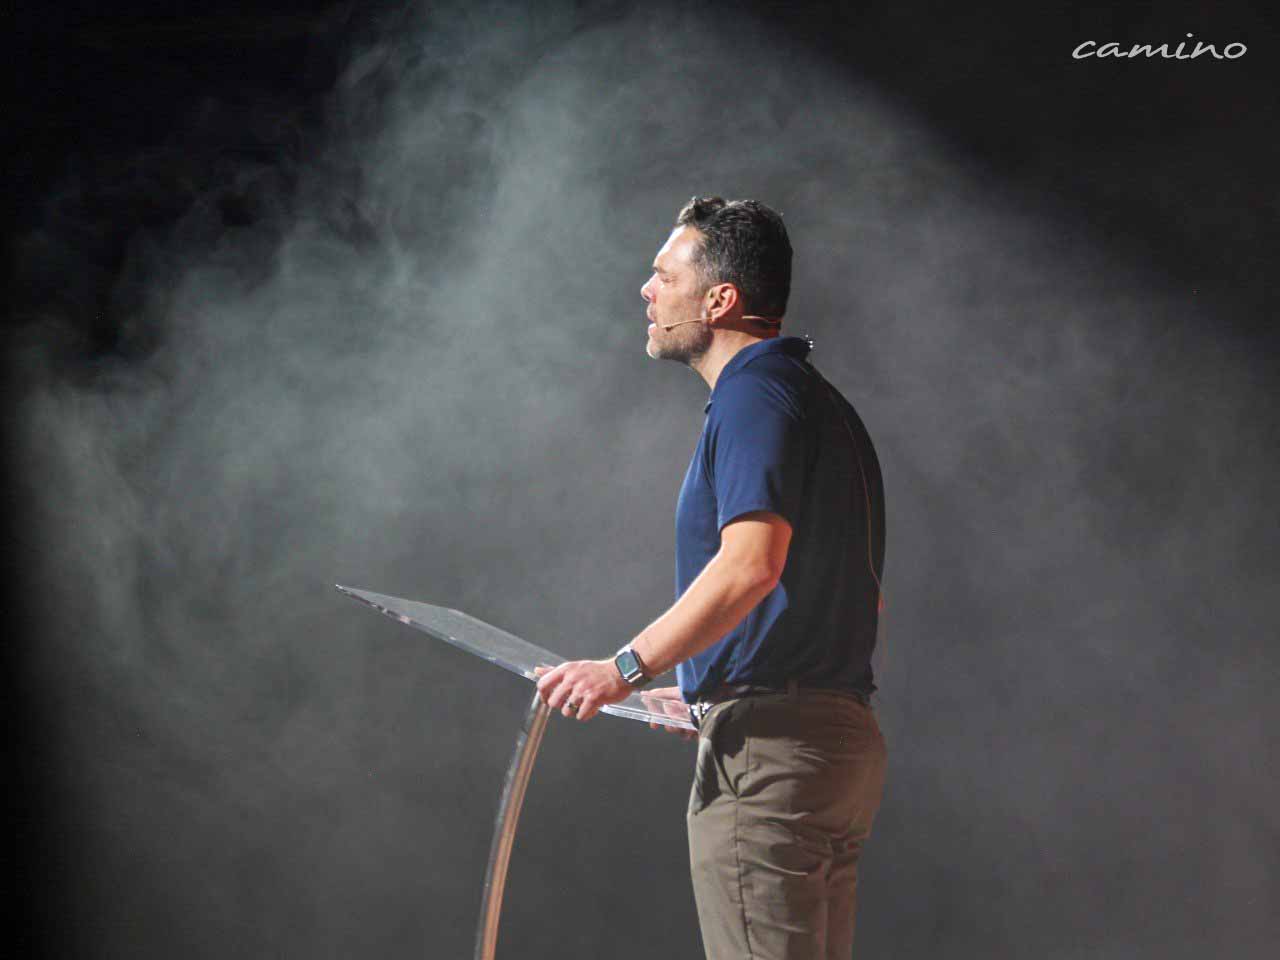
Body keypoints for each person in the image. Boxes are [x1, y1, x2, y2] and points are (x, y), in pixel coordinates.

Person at [535, 196, 887, 959]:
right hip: (833, 742)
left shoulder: (752, 394)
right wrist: (709, 683)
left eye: (665, 275)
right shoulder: (818, 403)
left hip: (771, 752)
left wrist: (624, 669)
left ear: (720, 299)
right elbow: (847, 596)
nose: (646, 290)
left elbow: (751, 565)